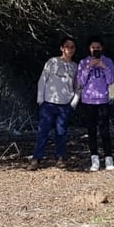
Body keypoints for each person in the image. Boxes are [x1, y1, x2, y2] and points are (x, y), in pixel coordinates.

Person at [31, 36, 80, 169]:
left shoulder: (75, 67)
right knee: (43, 131)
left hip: (65, 105)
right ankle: (36, 159)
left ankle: (60, 158)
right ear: (62, 48)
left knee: (61, 132)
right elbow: (43, 79)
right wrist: (40, 100)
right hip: (48, 103)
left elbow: (78, 86)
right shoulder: (52, 62)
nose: (69, 49)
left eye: (72, 47)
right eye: (67, 46)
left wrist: (73, 103)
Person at [75, 35, 114, 171]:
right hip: (88, 101)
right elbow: (80, 82)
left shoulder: (108, 61)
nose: (95, 50)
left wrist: (103, 66)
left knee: (104, 130)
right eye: (93, 48)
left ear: (102, 48)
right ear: (89, 49)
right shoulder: (83, 62)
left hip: (102, 100)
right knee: (91, 131)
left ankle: (109, 159)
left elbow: (111, 80)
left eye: (98, 48)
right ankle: (94, 159)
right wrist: (88, 67)